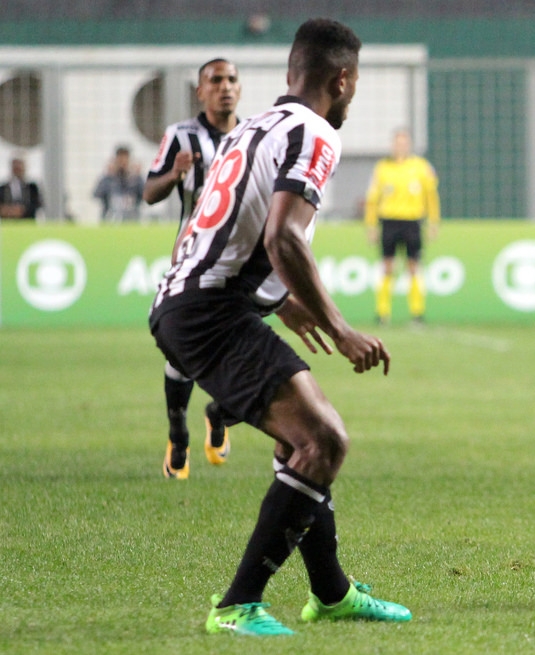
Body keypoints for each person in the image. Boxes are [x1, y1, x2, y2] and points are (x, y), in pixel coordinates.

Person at [149, 18, 411, 636]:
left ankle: (332, 593)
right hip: (212, 312)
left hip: (197, 302)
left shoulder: (254, 128)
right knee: (325, 441)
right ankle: (238, 604)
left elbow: (222, 229)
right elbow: (283, 236)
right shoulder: (315, 133)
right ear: (341, 79)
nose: (352, 96)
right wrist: (340, 328)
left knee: (303, 439)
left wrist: (281, 301)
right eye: (354, 84)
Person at [144, 57, 242, 479]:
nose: (225, 86)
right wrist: (174, 174)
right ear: (201, 91)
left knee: (244, 353)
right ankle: (178, 432)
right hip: (191, 261)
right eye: (215, 80)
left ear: (240, 88)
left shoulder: (252, 136)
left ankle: (218, 413)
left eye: (232, 79)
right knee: (182, 352)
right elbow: (150, 193)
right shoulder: (180, 136)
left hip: (240, 263)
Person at [364, 127, 440, 325]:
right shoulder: (383, 168)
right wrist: (371, 225)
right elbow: (372, 199)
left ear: (409, 145)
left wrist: (433, 221)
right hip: (389, 221)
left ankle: (417, 313)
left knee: (413, 266)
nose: (400, 147)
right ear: (393, 145)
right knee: (387, 266)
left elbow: (431, 197)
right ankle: (382, 313)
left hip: (412, 222)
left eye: (404, 143)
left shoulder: (421, 167)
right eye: (397, 143)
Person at [93, 146, 144, 221]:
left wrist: (138, 175)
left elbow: (146, 196)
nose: (122, 163)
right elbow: (97, 194)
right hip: (110, 220)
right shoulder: (108, 179)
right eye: (120, 160)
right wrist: (108, 174)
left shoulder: (136, 180)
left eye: (125, 160)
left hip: (132, 221)